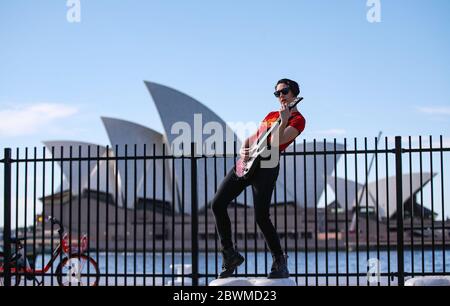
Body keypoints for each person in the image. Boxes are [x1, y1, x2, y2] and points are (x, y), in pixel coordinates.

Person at [211, 78, 306, 279]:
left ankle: (279, 260)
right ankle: (230, 254)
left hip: (267, 166)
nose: (280, 96)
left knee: (261, 216)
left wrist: (284, 119)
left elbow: (278, 141)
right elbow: (255, 136)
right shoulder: (271, 115)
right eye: (277, 93)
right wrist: (243, 148)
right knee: (217, 203)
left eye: (284, 91)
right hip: (247, 163)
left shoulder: (298, 120)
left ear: (294, 94)